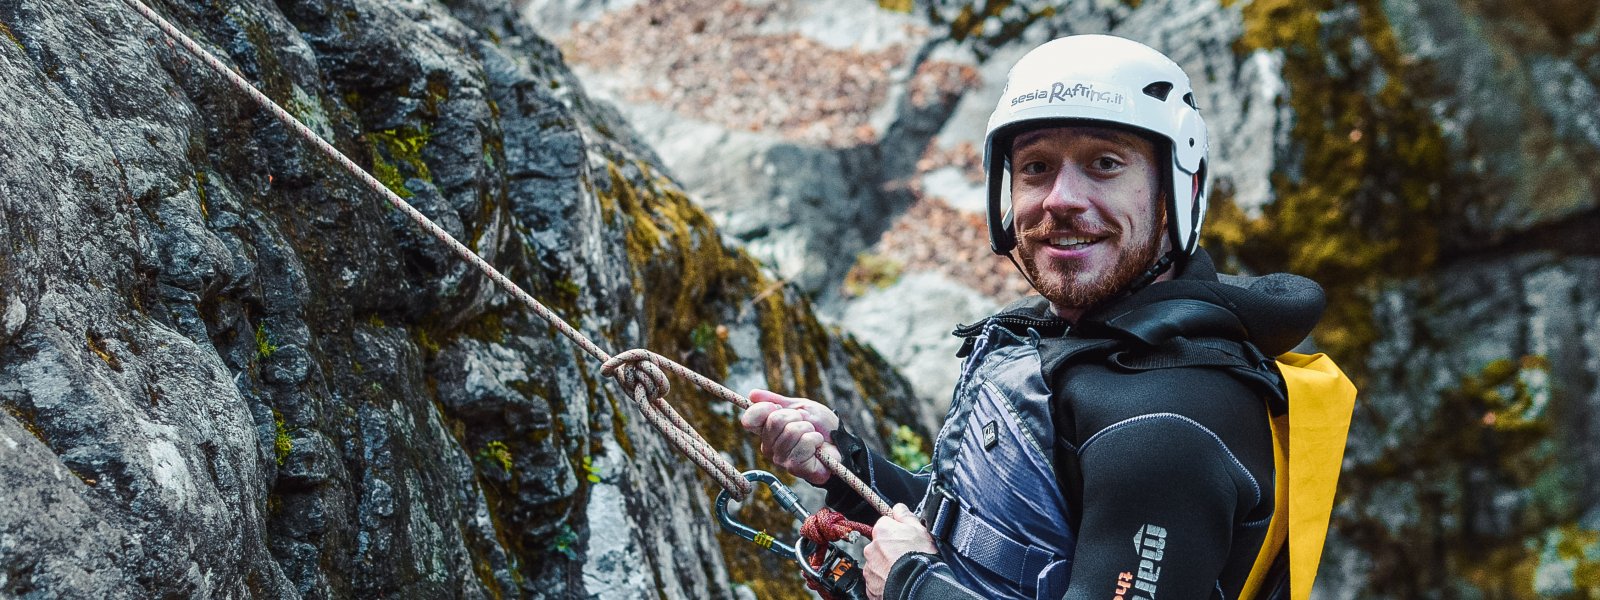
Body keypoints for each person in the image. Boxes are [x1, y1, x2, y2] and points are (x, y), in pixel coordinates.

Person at [741, 34, 1326, 600]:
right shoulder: (1073, 346)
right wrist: (844, 465)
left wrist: (912, 585)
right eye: (1037, 168)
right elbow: (992, 540)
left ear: (1177, 195)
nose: (1060, 199)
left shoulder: (1166, 426)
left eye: (1104, 163)